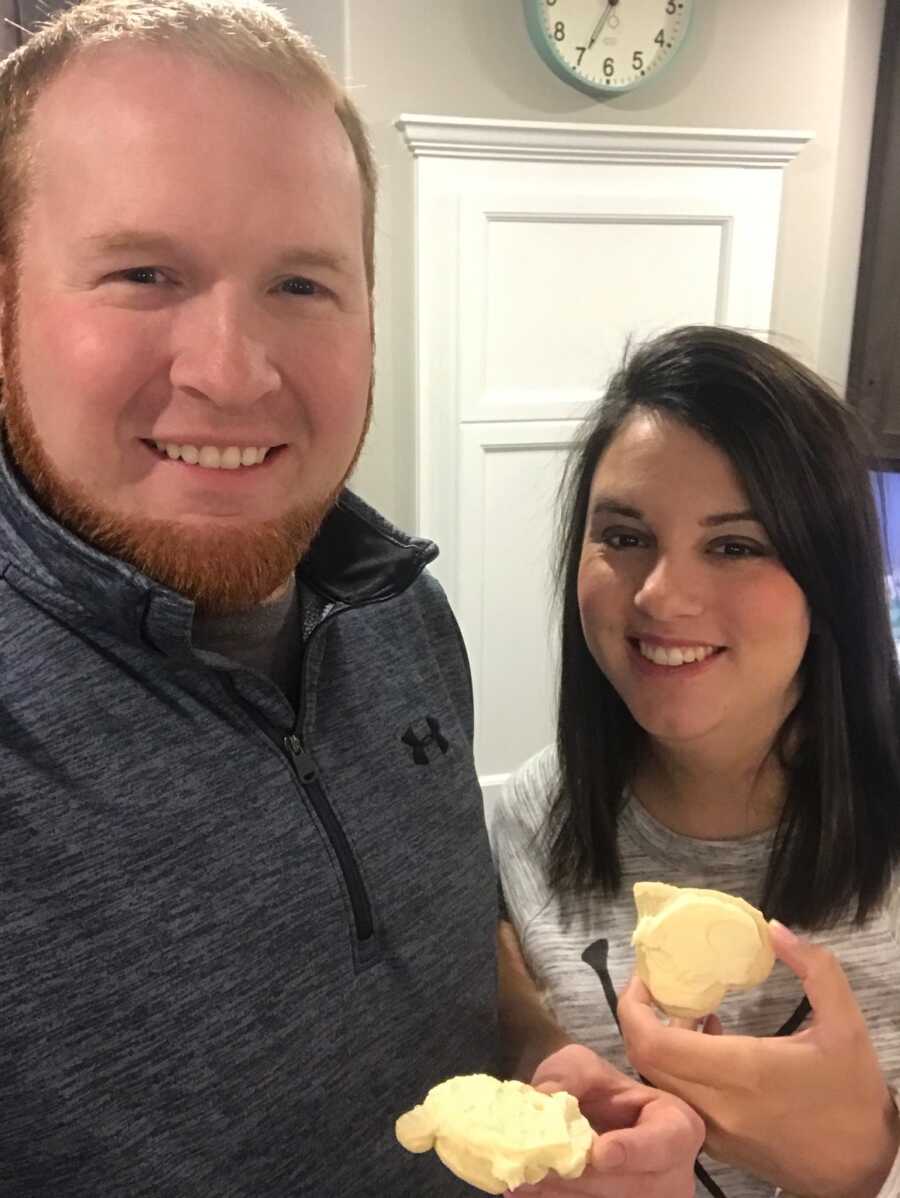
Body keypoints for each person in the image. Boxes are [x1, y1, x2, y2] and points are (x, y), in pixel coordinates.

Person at [0, 1, 704, 1193]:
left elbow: (445, 942)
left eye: (302, 285)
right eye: (142, 272)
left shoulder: (403, 618)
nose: (230, 370)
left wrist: (539, 1057)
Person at [492, 325, 900, 1198]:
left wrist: (869, 1168)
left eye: (735, 545)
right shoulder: (528, 821)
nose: (660, 596)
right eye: (625, 535)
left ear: (829, 576)